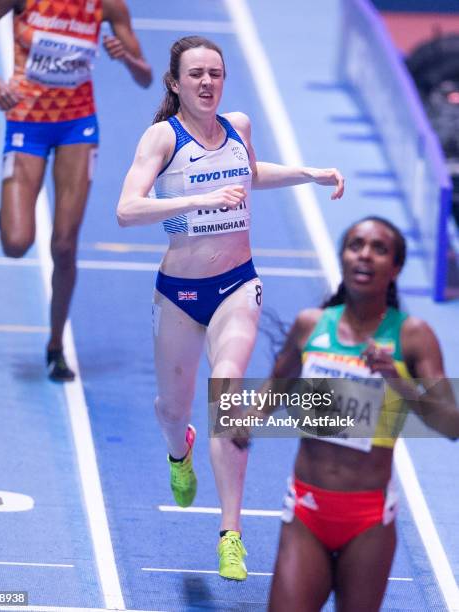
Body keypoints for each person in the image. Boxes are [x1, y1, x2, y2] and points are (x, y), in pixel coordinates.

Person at [115, 35, 344, 581]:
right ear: (175, 83)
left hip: (237, 286)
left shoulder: (238, 126)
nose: (206, 83)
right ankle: (179, 452)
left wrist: (308, 174)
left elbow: (251, 175)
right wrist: (197, 198)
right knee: (173, 410)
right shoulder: (161, 140)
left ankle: (231, 534)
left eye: (214, 73)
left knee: (227, 396)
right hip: (179, 294)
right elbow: (126, 210)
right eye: (195, 74)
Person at [246, 216, 459, 610]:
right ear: (342, 257)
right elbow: (275, 386)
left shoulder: (413, 336)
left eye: (379, 249)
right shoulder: (311, 326)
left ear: (395, 268)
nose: (365, 254)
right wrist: (241, 423)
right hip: (307, 509)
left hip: (368, 520)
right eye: (356, 244)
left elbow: (451, 424)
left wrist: (401, 383)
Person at [0, 0, 152, 381]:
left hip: (77, 127)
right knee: (16, 244)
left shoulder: (108, 7)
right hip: (26, 123)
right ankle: (10, 210)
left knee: (64, 246)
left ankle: (55, 346)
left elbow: (145, 76)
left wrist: (126, 58)